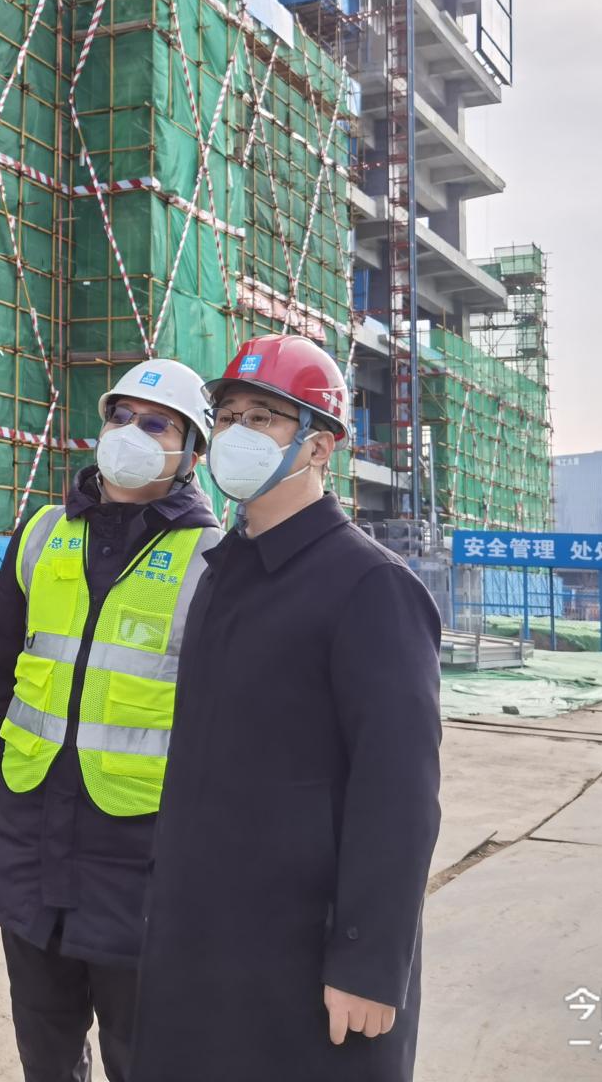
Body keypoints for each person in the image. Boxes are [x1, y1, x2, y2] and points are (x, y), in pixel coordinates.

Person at [131, 334, 443, 1082]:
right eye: (227, 415)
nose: (235, 433)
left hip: (304, 959)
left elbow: (398, 793)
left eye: (263, 418)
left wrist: (368, 962)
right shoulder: (223, 572)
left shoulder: (369, 586)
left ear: (319, 447)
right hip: (198, 939)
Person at [0, 360, 223, 1082]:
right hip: (30, 847)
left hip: (142, 866)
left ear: (192, 453)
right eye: (120, 417)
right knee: (45, 1057)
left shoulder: (213, 559)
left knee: (145, 1060)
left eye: (156, 424)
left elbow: (226, 734)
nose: (130, 433)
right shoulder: (44, 534)